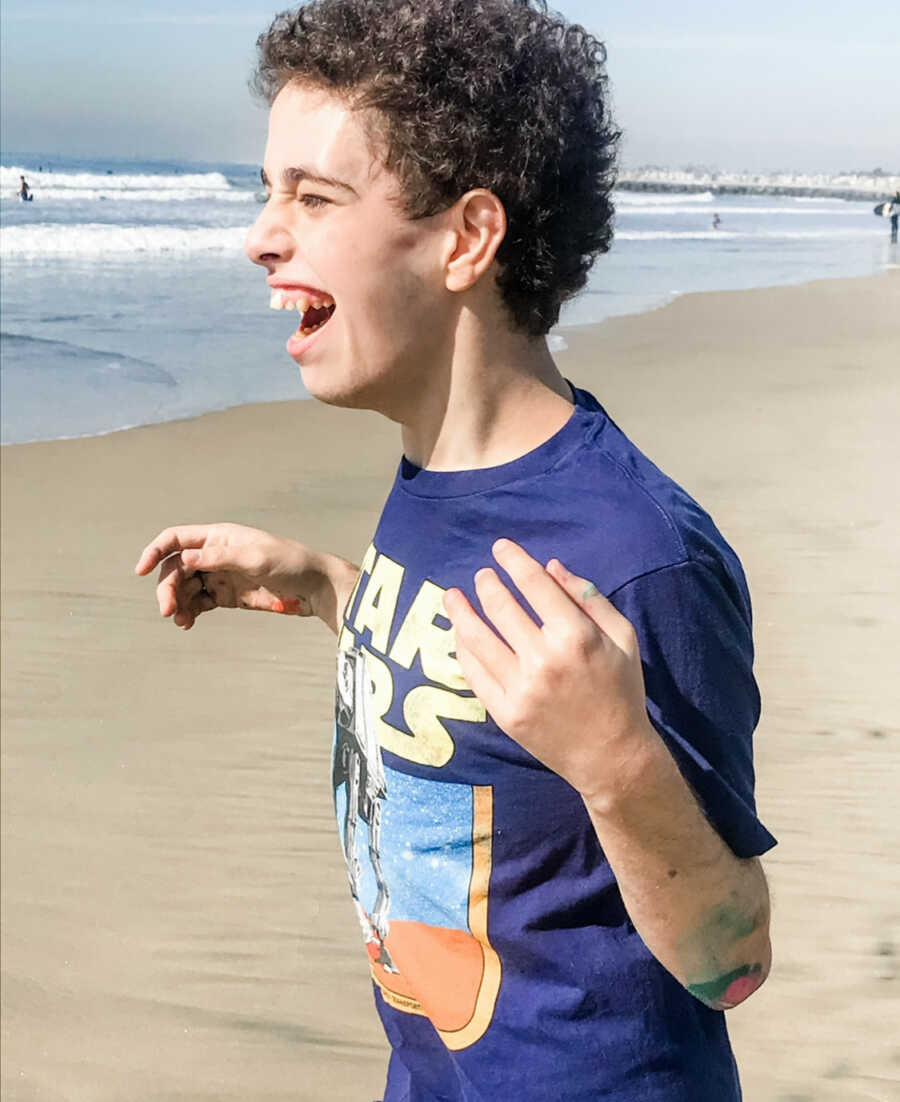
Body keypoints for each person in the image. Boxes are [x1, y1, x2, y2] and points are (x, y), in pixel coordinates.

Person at [135, 2, 776, 1098]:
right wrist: (331, 584)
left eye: (313, 197)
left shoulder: (637, 557)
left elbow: (733, 958)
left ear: (466, 240)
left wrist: (618, 763)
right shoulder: (436, 469)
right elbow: (483, 689)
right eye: (265, 192)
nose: (261, 234)